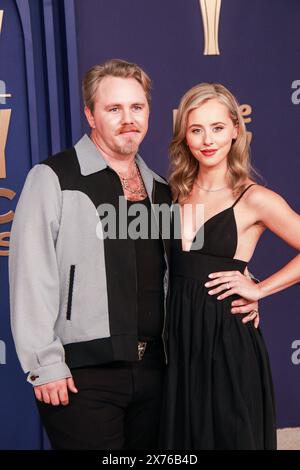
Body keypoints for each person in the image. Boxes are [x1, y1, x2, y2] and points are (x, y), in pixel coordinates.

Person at [9, 61, 258, 450]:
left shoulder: (161, 189)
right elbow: (30, 274)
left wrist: (245, 283)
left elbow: (186, 262)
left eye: (137, 107)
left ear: (149, 112)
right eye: (114, 109)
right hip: (81, 375)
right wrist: (44, 364)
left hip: (158, 373)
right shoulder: (54, 178)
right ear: (90, 114)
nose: (128, 119)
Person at [160, 82, 300, 450]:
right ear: (184, 136)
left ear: (236, 129)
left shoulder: (255, 198)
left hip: (227, 338)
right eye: (196, 129)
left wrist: (259, 288)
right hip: (177, 339)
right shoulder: (172, 193)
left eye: (218, 128)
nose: (208, 139)